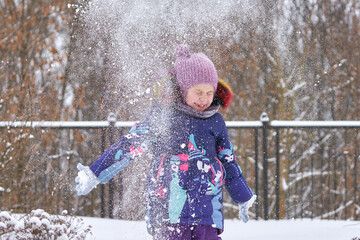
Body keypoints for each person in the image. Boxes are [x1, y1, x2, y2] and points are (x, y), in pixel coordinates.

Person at [75, 44, 256, 240]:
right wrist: (96, 172)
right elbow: (130, 144)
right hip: (168, 211)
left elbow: (228, 161)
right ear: (183, 89)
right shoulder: (162, 116)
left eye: (208, 92)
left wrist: (243, 196)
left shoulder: (216, 121)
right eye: (197, 92)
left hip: (207, 213)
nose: (204, 99)